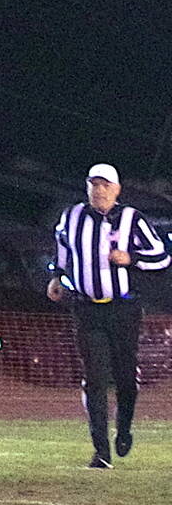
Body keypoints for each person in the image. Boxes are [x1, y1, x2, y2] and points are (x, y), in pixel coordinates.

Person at [47, 163, 170, 468]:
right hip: (87, 307)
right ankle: (100, 451)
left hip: (123, 309)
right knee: (95, 378)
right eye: (94, 185)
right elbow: (62, 249)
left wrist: (132, 258)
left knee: (126, 379)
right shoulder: (72, 216)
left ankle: (124, 427)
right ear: (87, 187)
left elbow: (162, 256)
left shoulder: (132, 219)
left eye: (105, 185)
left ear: (117, 190)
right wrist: (56, 277)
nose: (99, 191)